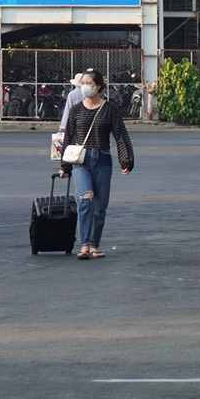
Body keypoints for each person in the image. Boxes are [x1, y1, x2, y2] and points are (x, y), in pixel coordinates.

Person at [61, 68, 135, 260]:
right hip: (81, 162)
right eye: (83, 83)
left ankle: (94, 244)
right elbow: (68, 137)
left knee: (100, 206)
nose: (85, 86)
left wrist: (126, 159)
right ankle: (84, 245)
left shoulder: (109, 109)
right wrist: (64, 166)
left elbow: (120, 136)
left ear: (99, 86)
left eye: (89, 83)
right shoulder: (76, 109)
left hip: (102, 159)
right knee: (85, 199)